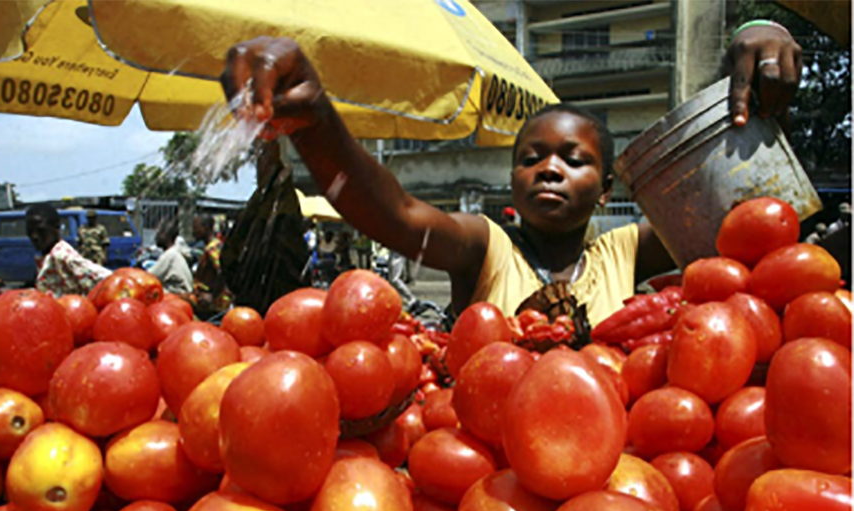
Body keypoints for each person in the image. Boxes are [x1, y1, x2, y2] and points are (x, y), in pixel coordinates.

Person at [220, 28, 807, 324]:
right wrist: (318, 123)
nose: (549, 168)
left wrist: (758, 46)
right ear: (511, 178)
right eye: (530, 158)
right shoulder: (485, 246)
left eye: (573, 160)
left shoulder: (628, 250)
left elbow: (745, 230)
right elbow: (393, 215)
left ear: (607, 190)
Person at [26, 203, 111, 298]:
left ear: (57, 228)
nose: (34, 236)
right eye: (29, 231)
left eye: (41, 231)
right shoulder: (47, 256)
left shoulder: (61, 256)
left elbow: (107, 279)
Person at [191, 213, 232, 317]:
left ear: (206, 228)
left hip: (215, 306)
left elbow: (223, 270)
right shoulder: (212, 246)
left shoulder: (212, 248)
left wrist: (212, 296)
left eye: (196, 228)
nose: (193, 232)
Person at [148, 217, 194, 294]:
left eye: (159, 233)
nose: (156, 237)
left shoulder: (170, 255)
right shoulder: (175, 252)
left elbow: (149, 277)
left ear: (167, 236)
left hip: (177, 297)